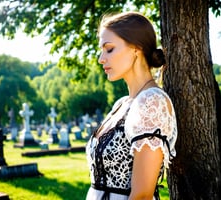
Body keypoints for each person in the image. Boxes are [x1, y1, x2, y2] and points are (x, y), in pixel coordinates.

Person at [86, 11, 177, 200]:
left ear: (136, 48)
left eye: (109, 49)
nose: (101, 58)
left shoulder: (152, 102)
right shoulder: (122, 104)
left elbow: (142, 195)